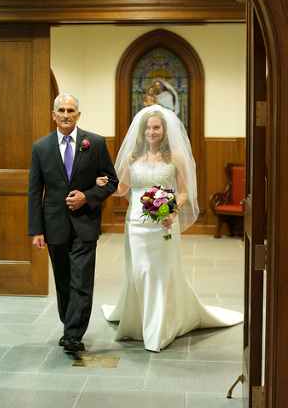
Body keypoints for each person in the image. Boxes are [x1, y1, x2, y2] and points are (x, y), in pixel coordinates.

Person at [101, 105, 243, 351]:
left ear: (164, 130)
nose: (151, 131)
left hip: (164, 223)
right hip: (136, 223)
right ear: (141, 130)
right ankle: (139, 321)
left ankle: (160, 327)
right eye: (147, 127)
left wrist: (172, 212)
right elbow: (122, 189)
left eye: (156, 127)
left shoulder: (175, 156)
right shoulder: (131, 156)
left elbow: (184, 192)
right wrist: (103, 184)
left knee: (162, 272)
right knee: (140, 271)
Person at [27, 94, 118, 353]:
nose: (66, 114)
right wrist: (36, 230)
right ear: (53, 114)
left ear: (78, 115)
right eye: (61, 110)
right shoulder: (41, 147)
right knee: (64, 281)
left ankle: (74, 334)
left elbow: (111, 181)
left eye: (71, 110)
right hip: (54, 223)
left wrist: (87, 197)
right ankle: (69, 325)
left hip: (85, 223)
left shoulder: (96, 143)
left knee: (81, 279)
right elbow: (35, 191)